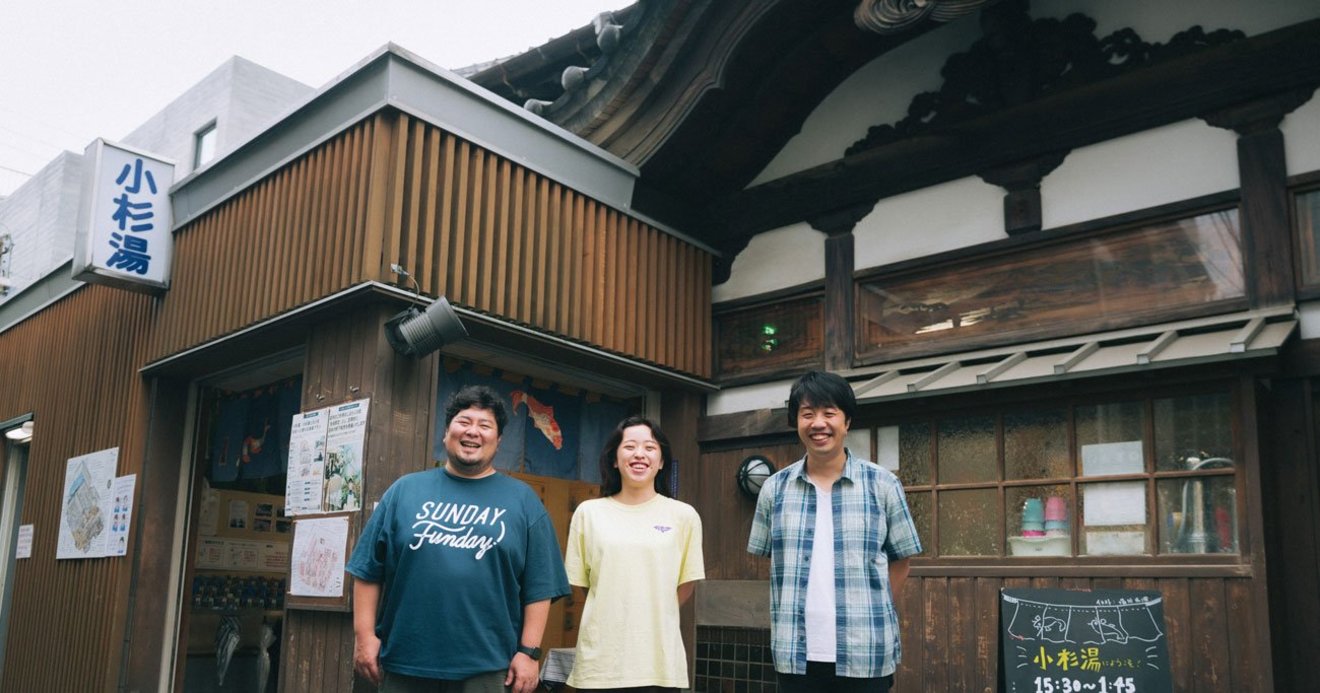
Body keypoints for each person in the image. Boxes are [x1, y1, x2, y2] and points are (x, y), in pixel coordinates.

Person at [346, 385, 569, 693]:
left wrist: (529, 653)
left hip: (488, 667)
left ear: (498, 440)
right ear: (446, 432)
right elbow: (368, 570)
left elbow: (539, 585)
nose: (473, 432)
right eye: (464, 421)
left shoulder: (523, 502)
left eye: (485, 425)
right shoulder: (404, 491)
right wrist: (364, 636)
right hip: (404, 660)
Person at [747, 371, 922, 692]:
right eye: (807, 414)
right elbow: (770, 561)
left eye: (829, 413)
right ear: (796, 421)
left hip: (865, 651)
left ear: (847, 421)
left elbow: (902, 561)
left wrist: (871, 607)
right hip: (795, 653)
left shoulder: (882, 484)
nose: (818, 423)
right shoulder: (774, 489)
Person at [563, 416, 705, 692]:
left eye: (650, 448)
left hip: (659, 665)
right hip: (600, 666)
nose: (639, 454)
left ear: (662, 462)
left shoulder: (683, 516)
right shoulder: (589, 513)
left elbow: (686, 584)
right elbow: (584, 585)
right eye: (629, 446)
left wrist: (649, 611)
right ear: (614, 459)